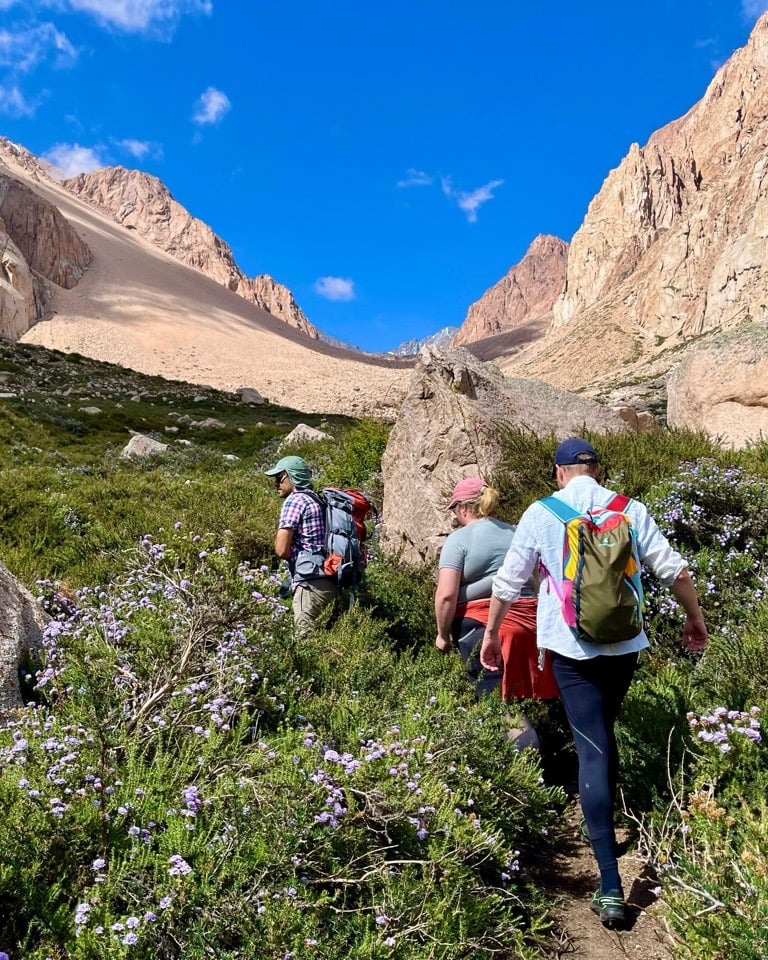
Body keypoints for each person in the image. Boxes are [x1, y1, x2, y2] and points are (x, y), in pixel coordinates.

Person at [480, 438, 708, 928]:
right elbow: (674, 569)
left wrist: (494, 633)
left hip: (570, 648)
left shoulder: (543, 512)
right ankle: (612, 822)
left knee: (592, 747)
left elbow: (509, 582)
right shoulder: (629, 508)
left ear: (560, 473)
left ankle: (609, 887)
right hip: (625, 646)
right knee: (603, 730)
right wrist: (695, 618)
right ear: (597, 470)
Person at [434, 477, 558, 746]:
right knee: (518, 695)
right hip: (530, 622)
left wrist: (442, 635)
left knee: (498, 700)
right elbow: (537, 580)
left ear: (464, 509)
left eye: (455, 510)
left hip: (483, 626)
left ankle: (524, 767)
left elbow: (446, 596)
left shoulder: (458, 541)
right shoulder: (515, 532)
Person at [265, 455, 337, 635]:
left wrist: (297, 559)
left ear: (292, 476)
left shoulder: (295, 500)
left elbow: (281, 550)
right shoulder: (315, 499)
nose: (276, 484)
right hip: (329, 579)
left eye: (279, 478)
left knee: (305, 641)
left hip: (310, 583)